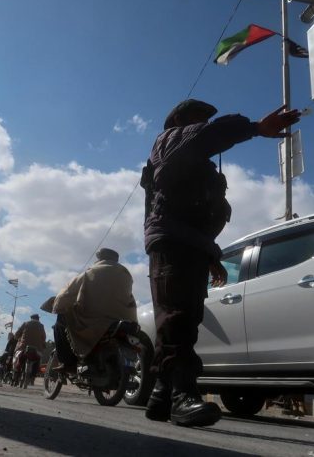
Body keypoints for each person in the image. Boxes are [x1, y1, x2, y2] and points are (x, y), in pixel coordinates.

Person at [141, 99, 300, 426]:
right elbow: (207, 136)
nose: (203, 125)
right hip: (173, 240)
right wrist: (255, 128)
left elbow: (202, 214)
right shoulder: (170, 140)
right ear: (182, 122)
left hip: (189, 244)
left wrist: (211, 255)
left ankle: (161, 395)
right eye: (200, 119)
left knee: (181, 316)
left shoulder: (195, 165)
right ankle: (183, 394)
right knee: (178, 318)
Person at [52, 248, 137, 369]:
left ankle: (68, 363)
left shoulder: (91, 272)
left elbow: (66, 293)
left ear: (100, 258)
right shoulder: (126, 274)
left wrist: (57, 306)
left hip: (95, 320)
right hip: (122, 319)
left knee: (60, 319)